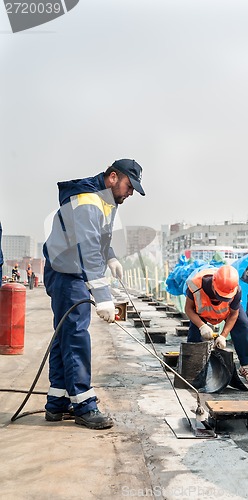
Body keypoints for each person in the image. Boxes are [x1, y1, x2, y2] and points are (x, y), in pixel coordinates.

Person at [43, 159, 145, 429]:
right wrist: (103, 296)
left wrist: (111, 258)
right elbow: (88, 248)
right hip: (68, 272)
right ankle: (84, 406)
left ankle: (57, 402)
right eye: (128, 185)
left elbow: (100, 240)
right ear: (113, 177)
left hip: (70, 269)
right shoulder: (89, 201)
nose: (130, 192)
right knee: (76, 337)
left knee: (65, 335)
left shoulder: (104, 200)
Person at [184, 265, 248, 384]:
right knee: (194, 336)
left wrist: (223, 335)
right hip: (201, 313)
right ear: (213, 284)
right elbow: (188, 309)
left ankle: (246, 365)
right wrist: (201, 326)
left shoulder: (235, 290)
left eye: (225, 297)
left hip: (226, 312)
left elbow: (234, 314)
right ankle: (193, 368)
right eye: (219, 295)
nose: (222, 299)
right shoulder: (195, 285)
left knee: (243, 324)